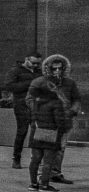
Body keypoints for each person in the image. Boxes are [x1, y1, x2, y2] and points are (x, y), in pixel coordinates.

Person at [33, 55, 81, 185]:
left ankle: (55, 173)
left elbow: (76, 99)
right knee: (44, 150)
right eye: (54, 69)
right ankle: (41, 176)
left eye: (60, 68)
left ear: (64, 68)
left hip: (64, 121)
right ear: (49, 69)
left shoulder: (69, 82)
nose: (57, 71)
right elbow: (32, 99)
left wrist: (72, 111)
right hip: (47, 122)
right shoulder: (40, 82)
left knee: (60, 149)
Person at [29, 76, 70, 192]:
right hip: (51, 134)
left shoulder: (35, 102)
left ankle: (33, 184)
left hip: (36, 133)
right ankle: (45, 185)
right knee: (48, 161)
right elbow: (59, 121)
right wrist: (61, 131)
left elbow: (30, 118)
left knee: (35, 159)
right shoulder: (56, 103)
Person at [7, 52, 43, 169]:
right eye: (33, 63)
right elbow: (10, 86)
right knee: (22, 131)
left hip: (37, 104)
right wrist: (30, 84)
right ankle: (16, 158)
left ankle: (36, 158)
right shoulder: (15, 71)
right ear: (26, 59)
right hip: (21, 103)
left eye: (38, 63)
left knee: (36, 130)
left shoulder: (39, 71)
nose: (35, 65)